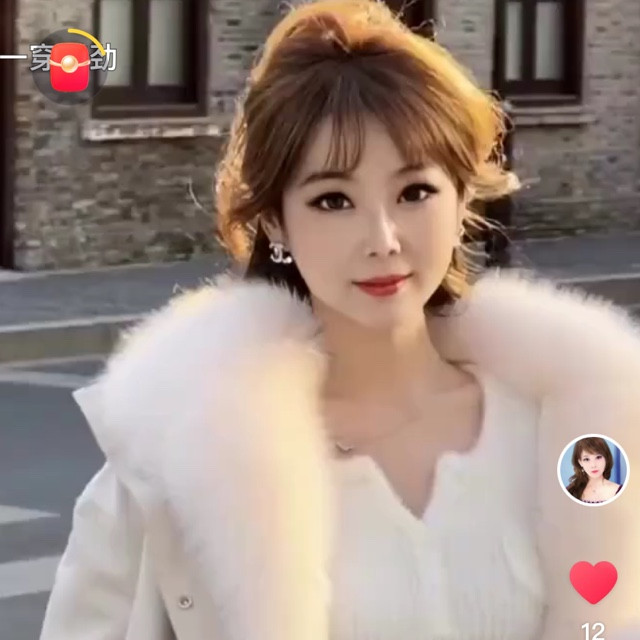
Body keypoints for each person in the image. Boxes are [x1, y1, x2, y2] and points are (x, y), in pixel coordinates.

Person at [40, 1, 640, 639]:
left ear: (463, 197)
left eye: (414, 193)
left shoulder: (572, 430)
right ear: (275, 222)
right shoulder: (179, 466)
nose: (382, 239)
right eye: (333, 200)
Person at [566, 437, 623, 504]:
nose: (593, 465)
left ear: (606, 459)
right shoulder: (570, 491)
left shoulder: (620, 491)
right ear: (580, 462)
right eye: (586, 459)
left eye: (598, 457)